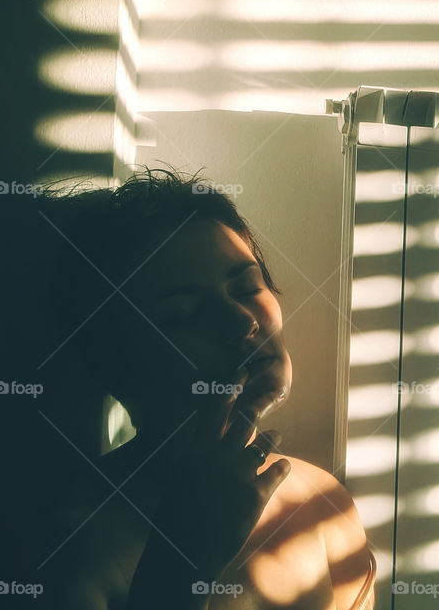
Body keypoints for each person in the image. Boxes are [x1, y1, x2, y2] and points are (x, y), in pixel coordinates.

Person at [38, 168, 375, 610]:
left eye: (247, 286)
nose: (242, 320)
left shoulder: (322, 501)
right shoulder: (73, 545)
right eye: (186, 312)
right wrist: (181, 566)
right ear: (117, 365)